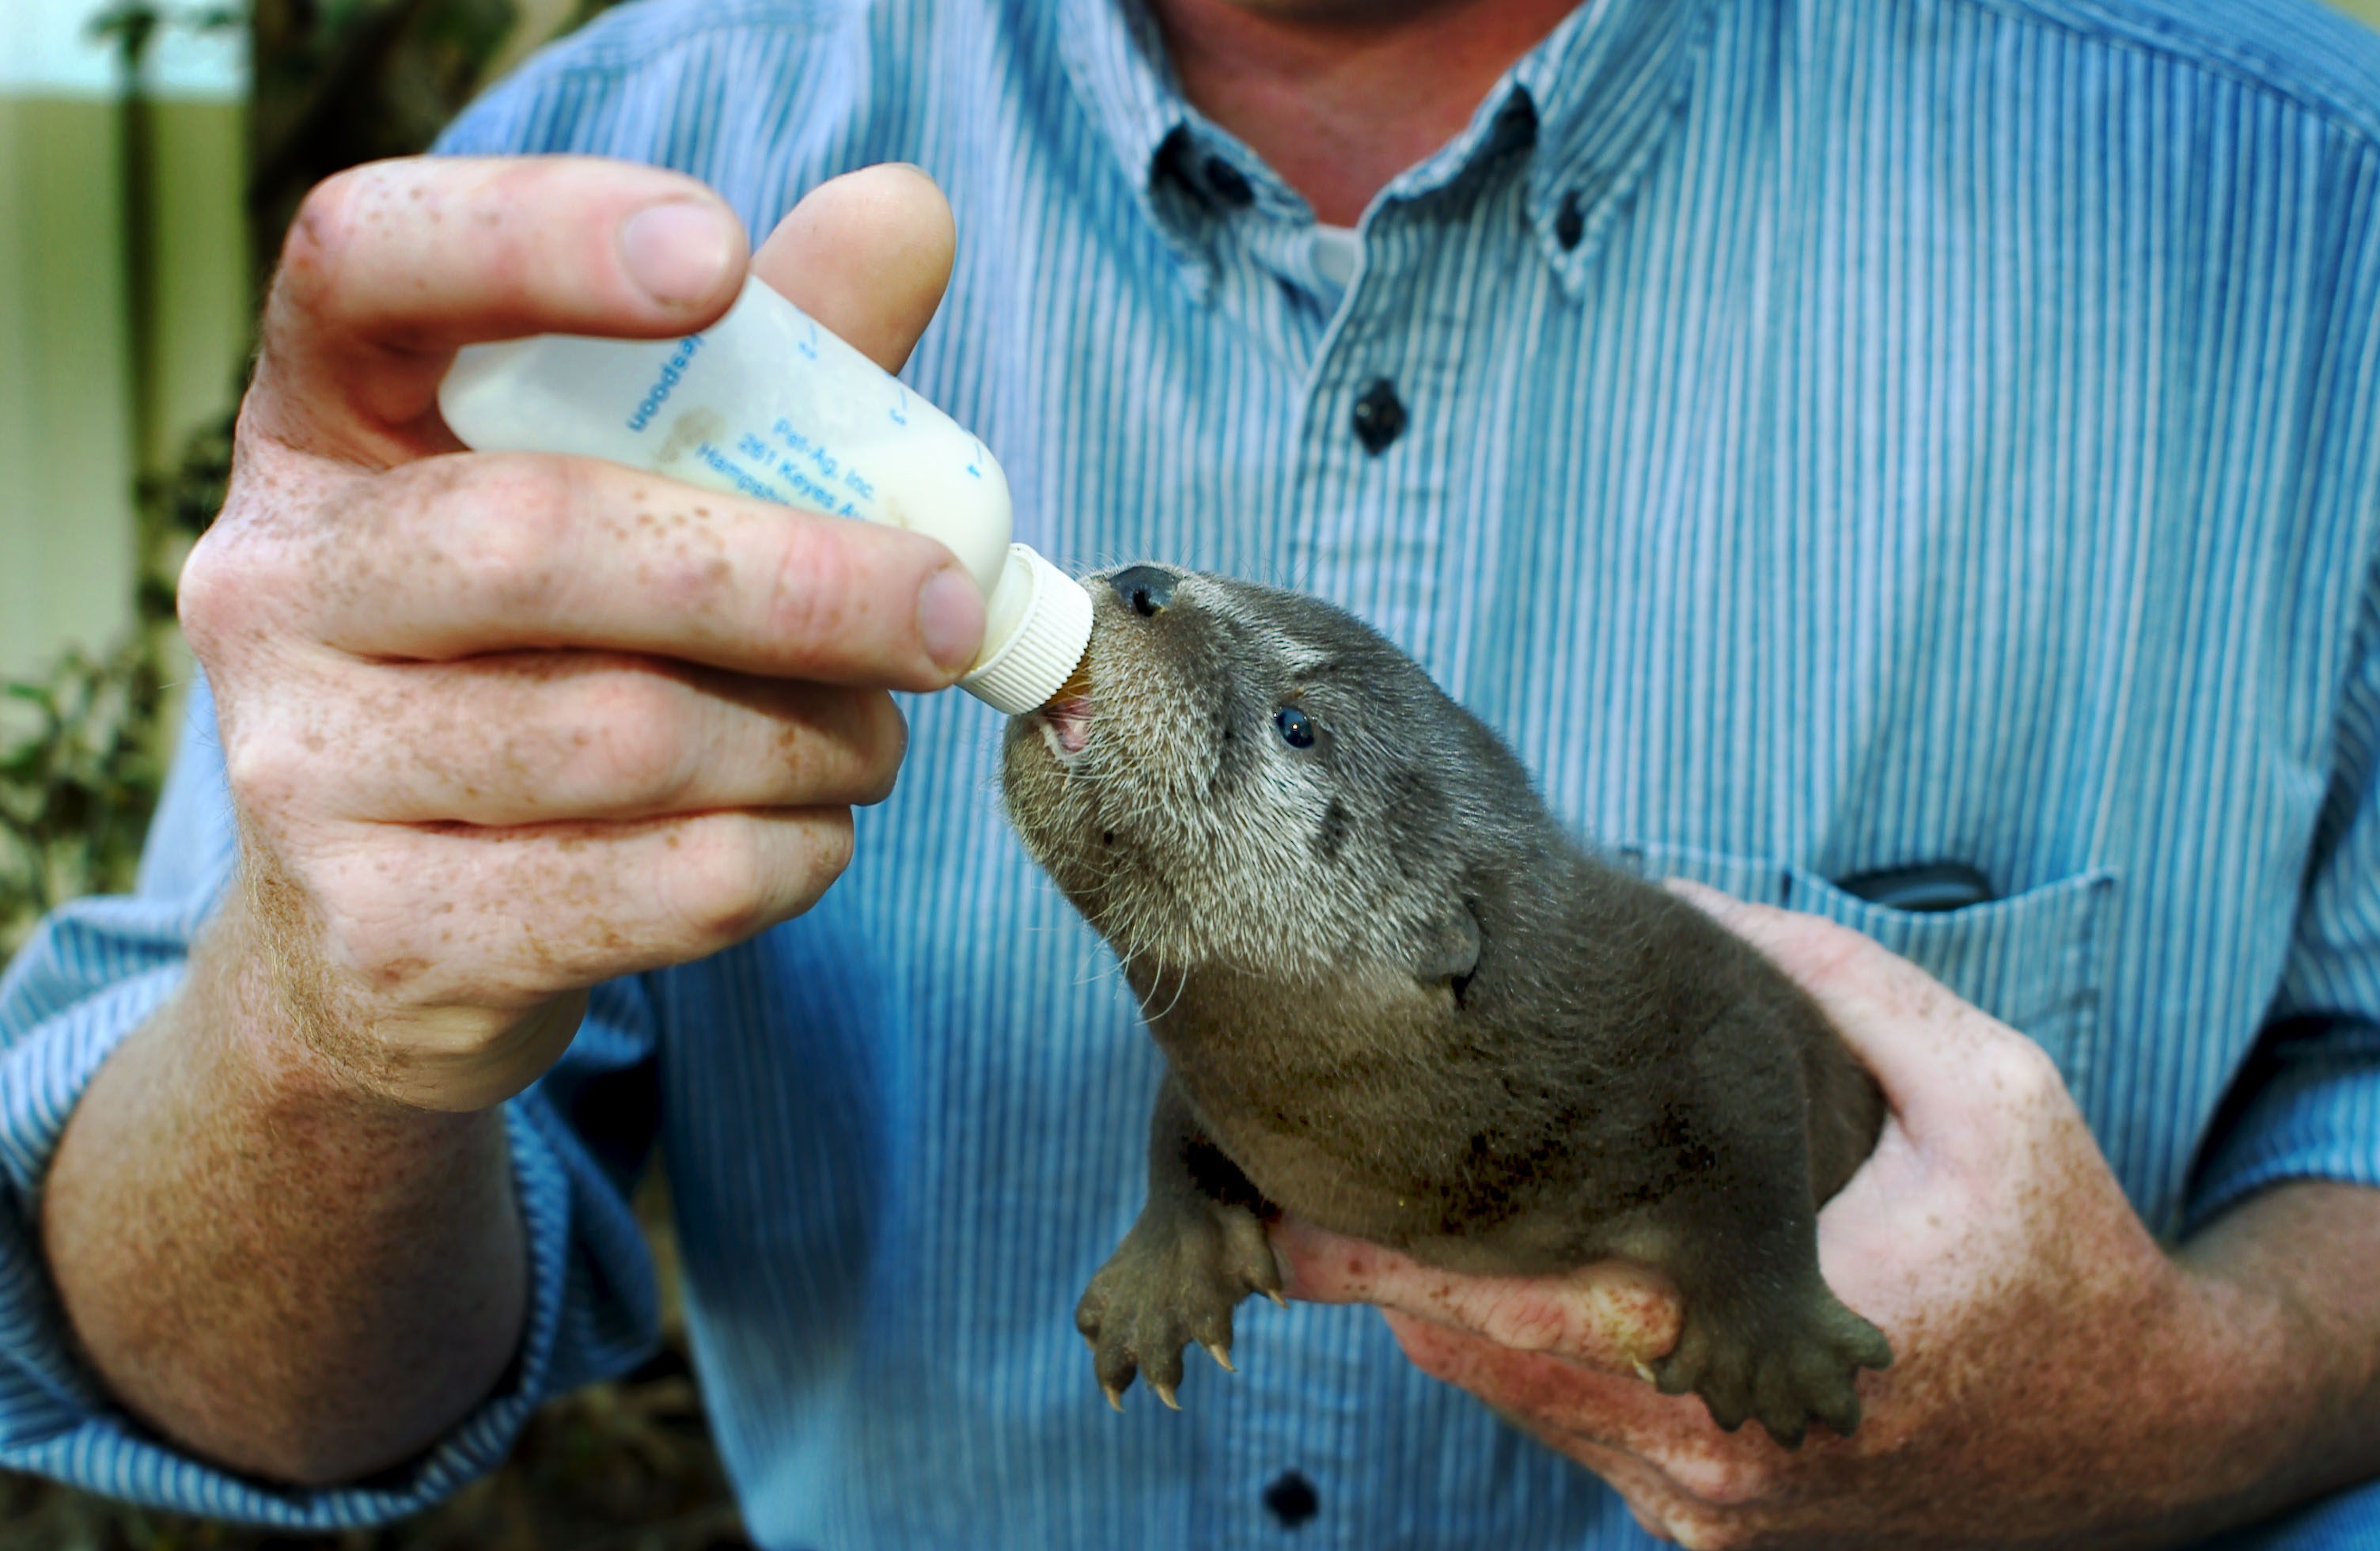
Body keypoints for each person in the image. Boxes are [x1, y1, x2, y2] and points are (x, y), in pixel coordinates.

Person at [3, 0, 2378, 1543]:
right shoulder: (618, 208)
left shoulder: (2313, 219)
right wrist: (321, 1030)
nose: (1121, 592)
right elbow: (224, 1385)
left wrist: (2175, 1409)